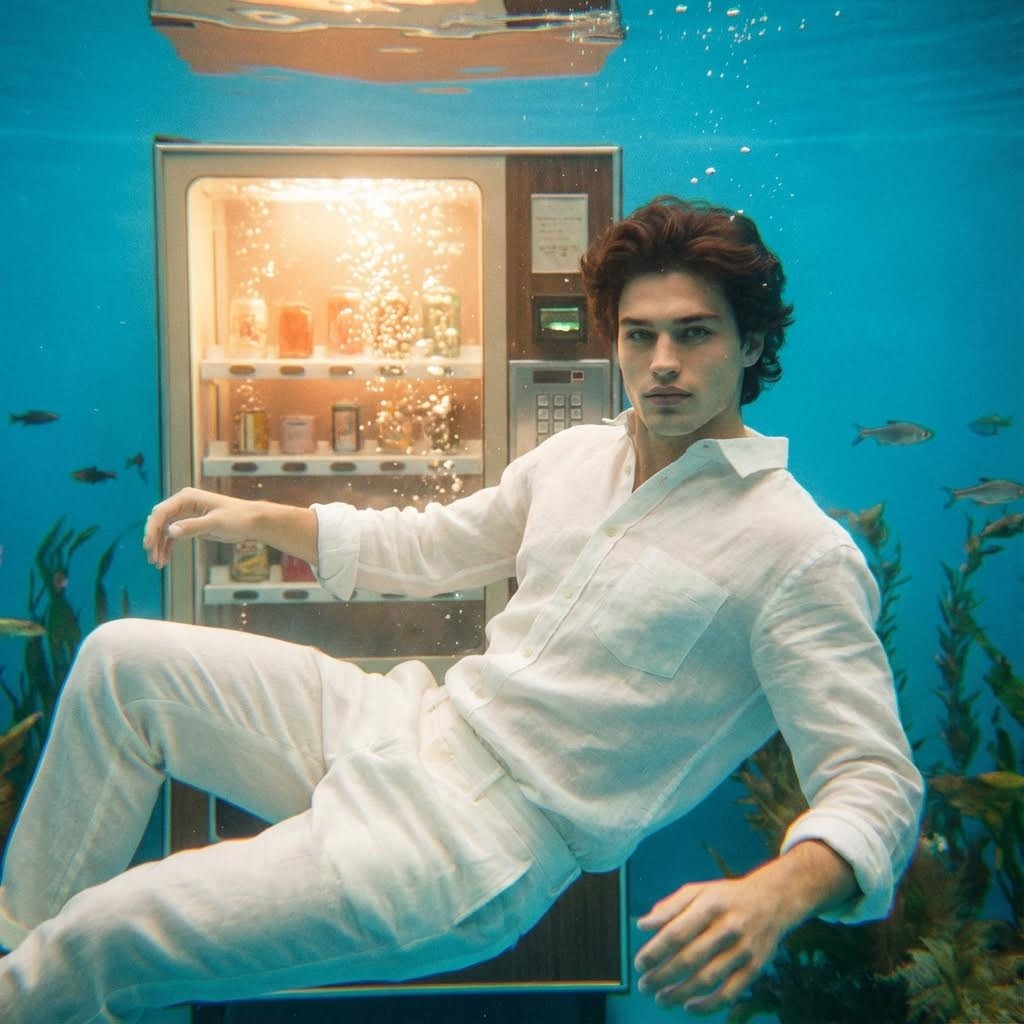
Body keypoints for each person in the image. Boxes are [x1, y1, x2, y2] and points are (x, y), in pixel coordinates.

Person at [0, 196, 923, 1023]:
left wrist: (775, 893)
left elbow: (876, 781)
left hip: (472, 846)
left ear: (753, 344)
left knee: (101, 940)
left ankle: (36, 985)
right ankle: (15, 963)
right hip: (409, 721)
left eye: (696, 334)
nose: (663, 364)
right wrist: (259, 515)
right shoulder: (577, 459)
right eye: (639, 335)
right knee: (121, 662)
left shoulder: (797, 552)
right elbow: (432, 546)